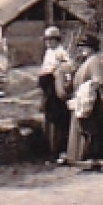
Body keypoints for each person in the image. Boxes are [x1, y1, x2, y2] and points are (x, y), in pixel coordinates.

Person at [67, 33, 103, 172]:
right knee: (86, 129)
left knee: (91, 130)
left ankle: (93, 160)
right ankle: (87, 160)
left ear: (92, 48)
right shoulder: (86, 62)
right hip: (84, 98)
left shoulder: (94, 61)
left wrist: (88, 92)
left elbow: (98, 80)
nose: (82, 50)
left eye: (84, 47)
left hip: (91, 100)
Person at [37, 26, 75, 163]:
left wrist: (57, 70)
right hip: (48, 91)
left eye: (51, 39)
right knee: (50, 121)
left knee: (59, 122)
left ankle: (61, 152)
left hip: (56, 91)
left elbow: (68, 69)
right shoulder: (48, 52)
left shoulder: (61, 53)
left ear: (56, 40)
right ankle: (52, 152)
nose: (48, 42)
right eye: (46, 39)